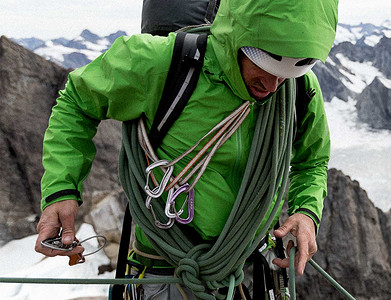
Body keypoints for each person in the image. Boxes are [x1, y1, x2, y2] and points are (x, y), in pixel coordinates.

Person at [34, 0, 338, 298]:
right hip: (166, 274)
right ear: (236, 37)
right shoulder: (162, 63)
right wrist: (61, 189)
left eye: (290, 70)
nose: (273, 85)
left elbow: (311, 161)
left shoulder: (299, 88)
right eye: (264, 64)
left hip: (248, 271)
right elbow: (78, 99)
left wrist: (306, 211)